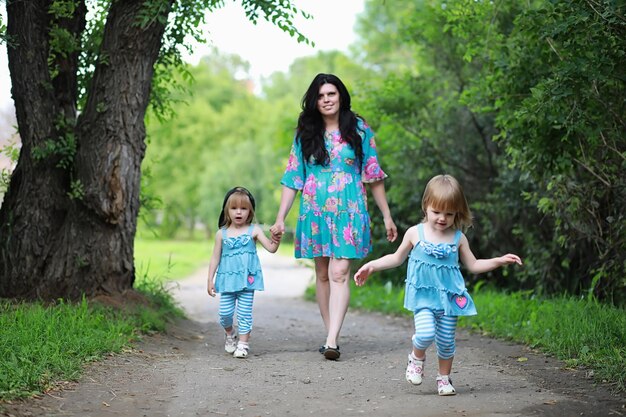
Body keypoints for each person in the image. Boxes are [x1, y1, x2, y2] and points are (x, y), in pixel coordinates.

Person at [353, 174, 522, 395]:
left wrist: (499, 261)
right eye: (437, 212)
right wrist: (372, 266)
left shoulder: (458, 238)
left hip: (449, 299)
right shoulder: (415, 233)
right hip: (423, 297)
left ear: (457, 213)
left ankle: (444, 379)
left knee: (446, 342)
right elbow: (396, 258)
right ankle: (416, 358)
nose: (442, 218)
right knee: (424, 334)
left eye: (449, 214)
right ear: (426, 207)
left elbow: (474, 264)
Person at [269, 73, 398, 361]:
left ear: (341, 96)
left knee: (340, 273)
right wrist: (280, 218)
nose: (326, 100)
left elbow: (373, 176)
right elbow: (293, 179)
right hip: (314, 211)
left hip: (349, 210)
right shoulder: (306, 133)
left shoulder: (359, 129)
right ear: (314, 101)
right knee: (323, 274)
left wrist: (387, 216)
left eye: (331, 94)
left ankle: (331, 339)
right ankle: (332, 336)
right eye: (321, 96)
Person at [207, 186, 279, 358]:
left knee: (244, 313)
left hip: (247, 281)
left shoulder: (253, 230)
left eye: (243, 208)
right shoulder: (221, 234)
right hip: (227, 281)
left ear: (250, 211)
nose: (238, 212)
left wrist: (276, 239)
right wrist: (210, 279)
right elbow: (215, 258)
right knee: (224, 314)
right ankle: (230, 334)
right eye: (234, 208)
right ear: (227, 211)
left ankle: (243, 344)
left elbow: (271, 248)